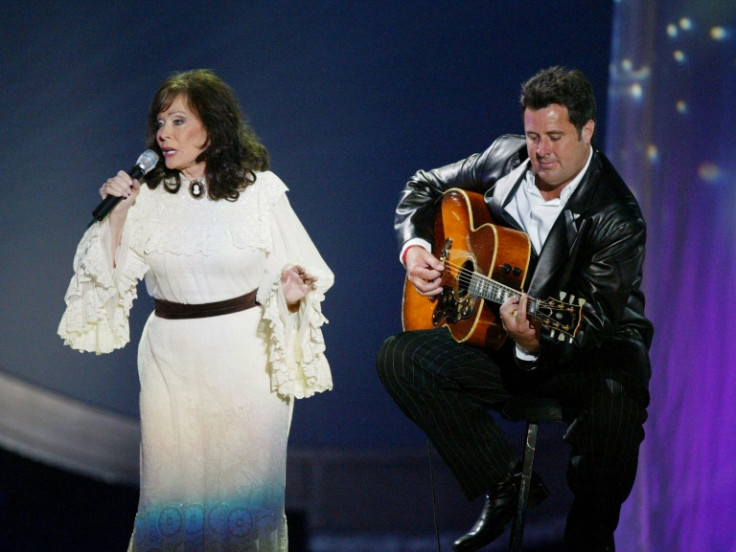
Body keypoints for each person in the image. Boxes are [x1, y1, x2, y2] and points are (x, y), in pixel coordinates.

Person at [376, 66, 652, 552]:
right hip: (502, 333)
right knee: (399, 356)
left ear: (587, 131)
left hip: (588, 349)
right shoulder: (505, 157)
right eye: (532, 135)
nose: (540, 149)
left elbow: (593, 321)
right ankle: (502, 483)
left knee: (614, 409)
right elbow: (420, 188)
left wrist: (532, 340)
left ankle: (588, 540)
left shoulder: (616, 217)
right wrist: (416, 249)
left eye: (554, 136)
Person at [58, 69, 334, 551]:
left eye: (179, 120)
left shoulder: (259, 190)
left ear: (212, 125)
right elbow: (108, 278)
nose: (164, 133)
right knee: (174, 499)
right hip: (172, 360)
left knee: (244, 505)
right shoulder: (146, 198)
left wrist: (289, 294)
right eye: (160, 122)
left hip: (248, 359)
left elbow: (304, 274)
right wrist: (119, 211)